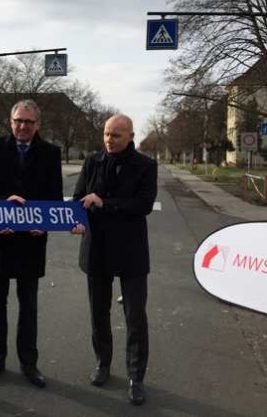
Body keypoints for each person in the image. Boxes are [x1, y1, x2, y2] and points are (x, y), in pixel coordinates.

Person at [0, 99, 63, 388]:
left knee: (29, 306)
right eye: (18, 121)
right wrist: (2, 205)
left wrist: (45, 223)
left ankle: (29, 363)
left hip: (31, 242)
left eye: (28, 122)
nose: (23, 126)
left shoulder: (50, 153)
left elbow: (54, 196)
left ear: (38, 124)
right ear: (10, 122)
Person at [72, 114, 157, 406]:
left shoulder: (146, 166)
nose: (109, 140)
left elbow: (143, 205)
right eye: (107, 134)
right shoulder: (92, 161)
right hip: (96, 248)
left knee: (135, 317)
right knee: (99, 312)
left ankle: (136, 377)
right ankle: (103, 364)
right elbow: (78, 198)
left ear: (131, 136)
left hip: (131, 251)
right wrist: (76, 218)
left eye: (116, 135)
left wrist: (104, 203)